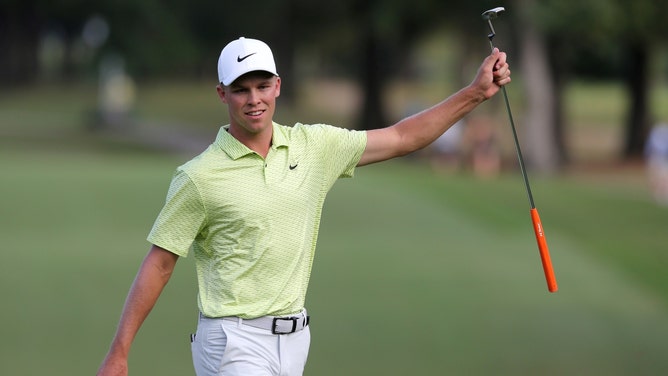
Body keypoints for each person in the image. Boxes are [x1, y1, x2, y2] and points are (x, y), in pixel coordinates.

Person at [96, 36, 511, 376]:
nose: (253, 99)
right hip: (232, 343)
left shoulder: (314, 146)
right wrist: (120, 351)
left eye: (261, 86)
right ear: (222, 94)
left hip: (294, 341)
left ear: (278, 85)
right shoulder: (198, 176)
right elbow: (160, 263)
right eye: (241, 89)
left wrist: (475, 93)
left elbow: (403, 137)